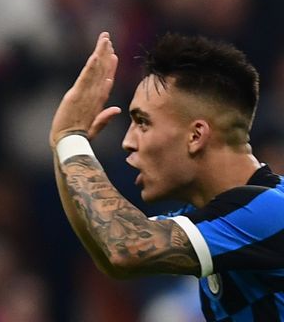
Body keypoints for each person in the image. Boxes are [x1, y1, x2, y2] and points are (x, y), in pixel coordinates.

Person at [50, 32, 284, 321]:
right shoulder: (217, 219)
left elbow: (123, 247)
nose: (128, 141)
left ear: (196, 135)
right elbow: (108, 252)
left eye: (142, 123)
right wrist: (64, 145)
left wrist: (71, 139)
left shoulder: (270, 212)